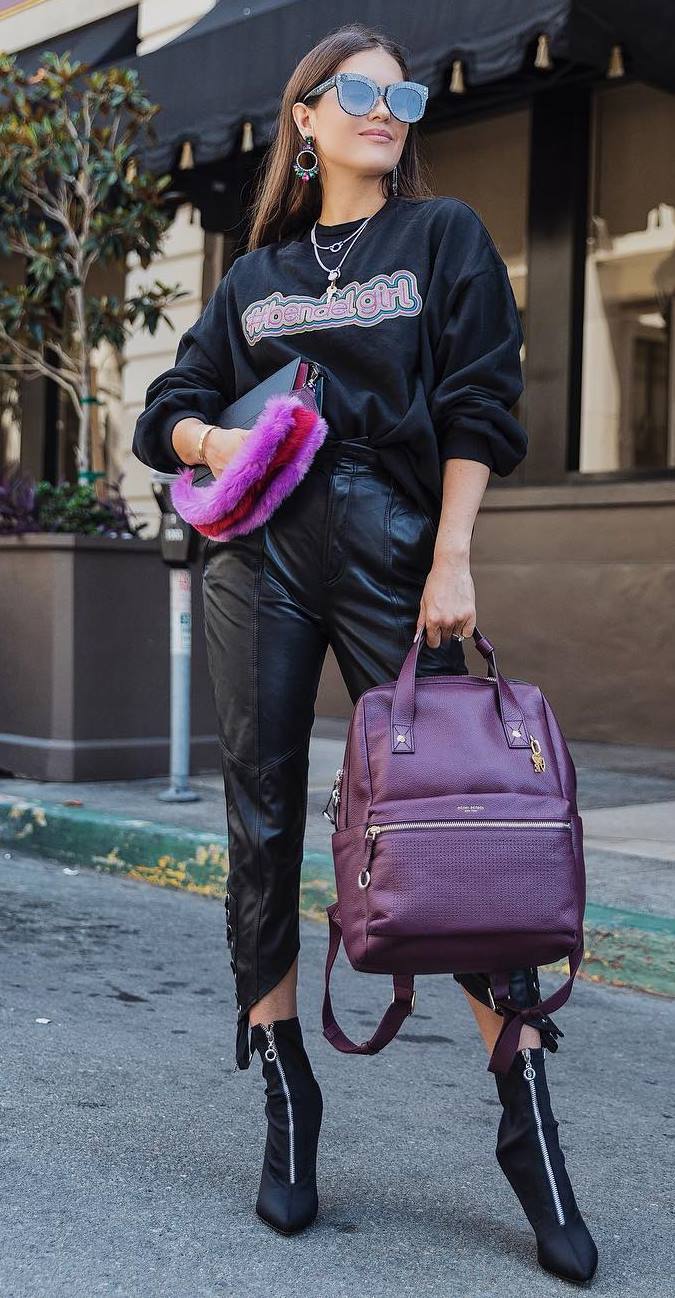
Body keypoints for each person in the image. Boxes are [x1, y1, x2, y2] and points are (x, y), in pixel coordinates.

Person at [132, 22, 598, 1284]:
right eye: (360, 91)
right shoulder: (253, 278)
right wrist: (212, 448)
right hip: (261, 561)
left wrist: (453, 554)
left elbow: (480, 402)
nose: (388, 107)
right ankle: (288, 1087)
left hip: (397, 550)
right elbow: (161, 412)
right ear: (307, 117)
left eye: (401, 92)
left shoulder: (439, 241)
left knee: (447, 825)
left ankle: (529, 1119)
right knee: (263, 813)